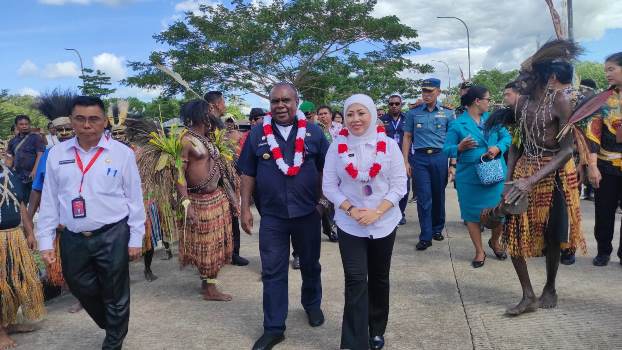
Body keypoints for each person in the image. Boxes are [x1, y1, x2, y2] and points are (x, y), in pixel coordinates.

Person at [36, 95, 145, 349]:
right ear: (71, 121)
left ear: (104, 122)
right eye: (80, 119)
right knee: (78, 284)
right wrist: (45, 241)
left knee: (115, 290)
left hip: (112, 233)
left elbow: (134, 198)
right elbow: (50, 200)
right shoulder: (56, 154)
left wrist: (136, 237)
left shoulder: (122, 154)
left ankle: (113, 341)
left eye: (94, 119)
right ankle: (114, 323)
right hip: (73, 235)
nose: (87, 125)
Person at [486, 40, 586, 316]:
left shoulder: (561, 101)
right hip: (522, 174)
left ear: (545, 77)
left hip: (552, 176)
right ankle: (528, 295)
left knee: (553, 235)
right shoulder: (520, 105)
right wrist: (509, 180)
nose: (520, 82)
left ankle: (550, 287)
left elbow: (567, 151)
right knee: (514, 233)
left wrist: (531, 180)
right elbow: (517, 145)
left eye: (525, 77)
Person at [239, 82, 328, 350]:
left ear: (296, 102)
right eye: (275, 101)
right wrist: (244, 207)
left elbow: (327, 169)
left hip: (307, 213)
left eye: (286, 100)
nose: (280, 105)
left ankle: (312, 305)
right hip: (273, 217)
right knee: (273, 271)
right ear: (270, 104)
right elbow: (247, 173)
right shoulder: (257, 134)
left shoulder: (314, 133)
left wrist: (323, 203)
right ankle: (274, 327)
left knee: (311, 264)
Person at [323, 94, 406, 350]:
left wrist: (377, 212)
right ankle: (353, 342)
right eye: (350, 114)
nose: (355, 119)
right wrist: (350, 209)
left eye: (361, 113)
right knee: (356, 279)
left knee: (379, 278)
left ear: (372, 114)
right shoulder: (336, 147)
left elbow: (399, 185)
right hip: (350, 224)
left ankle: (376, 330)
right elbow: (328, 185)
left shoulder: (389, 145)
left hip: (383, 222)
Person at [26, 90, 84, 313]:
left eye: (68, 128)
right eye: (60, 130)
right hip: (62, 219)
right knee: (69, 260)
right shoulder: (50, 154)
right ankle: (79, 295)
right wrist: (29, 220)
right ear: (54, 130)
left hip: (88, 217)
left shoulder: (88, 149)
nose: (65, 133)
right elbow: (37, 189)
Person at [176, 97, 237, 300]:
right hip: (199, 201)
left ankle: (207, 285)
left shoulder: (208, 138)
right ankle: (210, 290)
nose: (214, 113)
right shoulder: (186, 140)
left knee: (216, 245)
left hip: (216, 199)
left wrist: (231, 198)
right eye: (210, 111)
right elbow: (179, 174)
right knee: (206, 247)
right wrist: (186, 204)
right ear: (202, 115)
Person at [443, 86, 511, 267]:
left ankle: (495, 242)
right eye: (488, 99)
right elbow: (445, 149)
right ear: (477, 101)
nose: (489, 102)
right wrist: (458, 148)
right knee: (472, 215)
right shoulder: (458, 124)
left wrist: (498, 148)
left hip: (495, 172)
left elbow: (507, 138)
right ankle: (479, 251)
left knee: (499, 212)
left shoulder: (494, 119)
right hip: (470, 177)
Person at [401, 78, 456, 250]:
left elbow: (452, 138)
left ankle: (437, 228)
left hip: (440, 157)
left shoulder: (448, 113)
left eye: (430, 92)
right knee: (423, 197)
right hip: (420, 159)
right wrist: (405, 162)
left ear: (438, 92)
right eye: (424, 91)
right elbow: (407, 137)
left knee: (438, 195)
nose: (426, 95)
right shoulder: (413, 112)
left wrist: (453, 163)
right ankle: (425, 235)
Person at [0, 162, 45, 350]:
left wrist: (30, 233)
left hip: (15, 237)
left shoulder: (7, 171)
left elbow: (21, 204)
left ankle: (8, 324)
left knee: (17, 282)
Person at [586, 52, 622, 267]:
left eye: (611, 69)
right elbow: (592, 135)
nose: (606, 74)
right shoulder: (601, 101)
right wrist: (592, 166)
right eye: (605, 69)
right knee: (604, 211)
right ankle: (603, 251)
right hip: (606, 165)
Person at [380, 94, 409, 225]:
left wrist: (408, 160)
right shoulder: (381, 120)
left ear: (401, 105)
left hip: (404, 158)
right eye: (391, 104)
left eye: (397, 103)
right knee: (387, 186)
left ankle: (400, 212)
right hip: (387, 158)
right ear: (388, 105)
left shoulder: (408, 119)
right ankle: (389, 211)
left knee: (404, 186)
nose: (394, 106)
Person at [6, 115, 45, 203]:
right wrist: (8, 173)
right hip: (19, 176)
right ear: (16, 126)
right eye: (21, 124)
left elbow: (40, 155)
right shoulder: (12, 141)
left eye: (26, 124)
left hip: (34, 176)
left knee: (38, 201)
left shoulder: (36, 138)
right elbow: (9, 158)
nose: (24, 126)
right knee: (21, 200)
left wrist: (35, 171)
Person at [316, 105, 340, 242]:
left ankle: (332, 226)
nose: (323, 116)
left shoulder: (340, 128)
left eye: (325, 113)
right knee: (324, 198)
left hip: (339, 167)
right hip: (321, 169)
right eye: (320, 114)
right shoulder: (314, 129)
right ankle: (329, 228)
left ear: (331, 115)